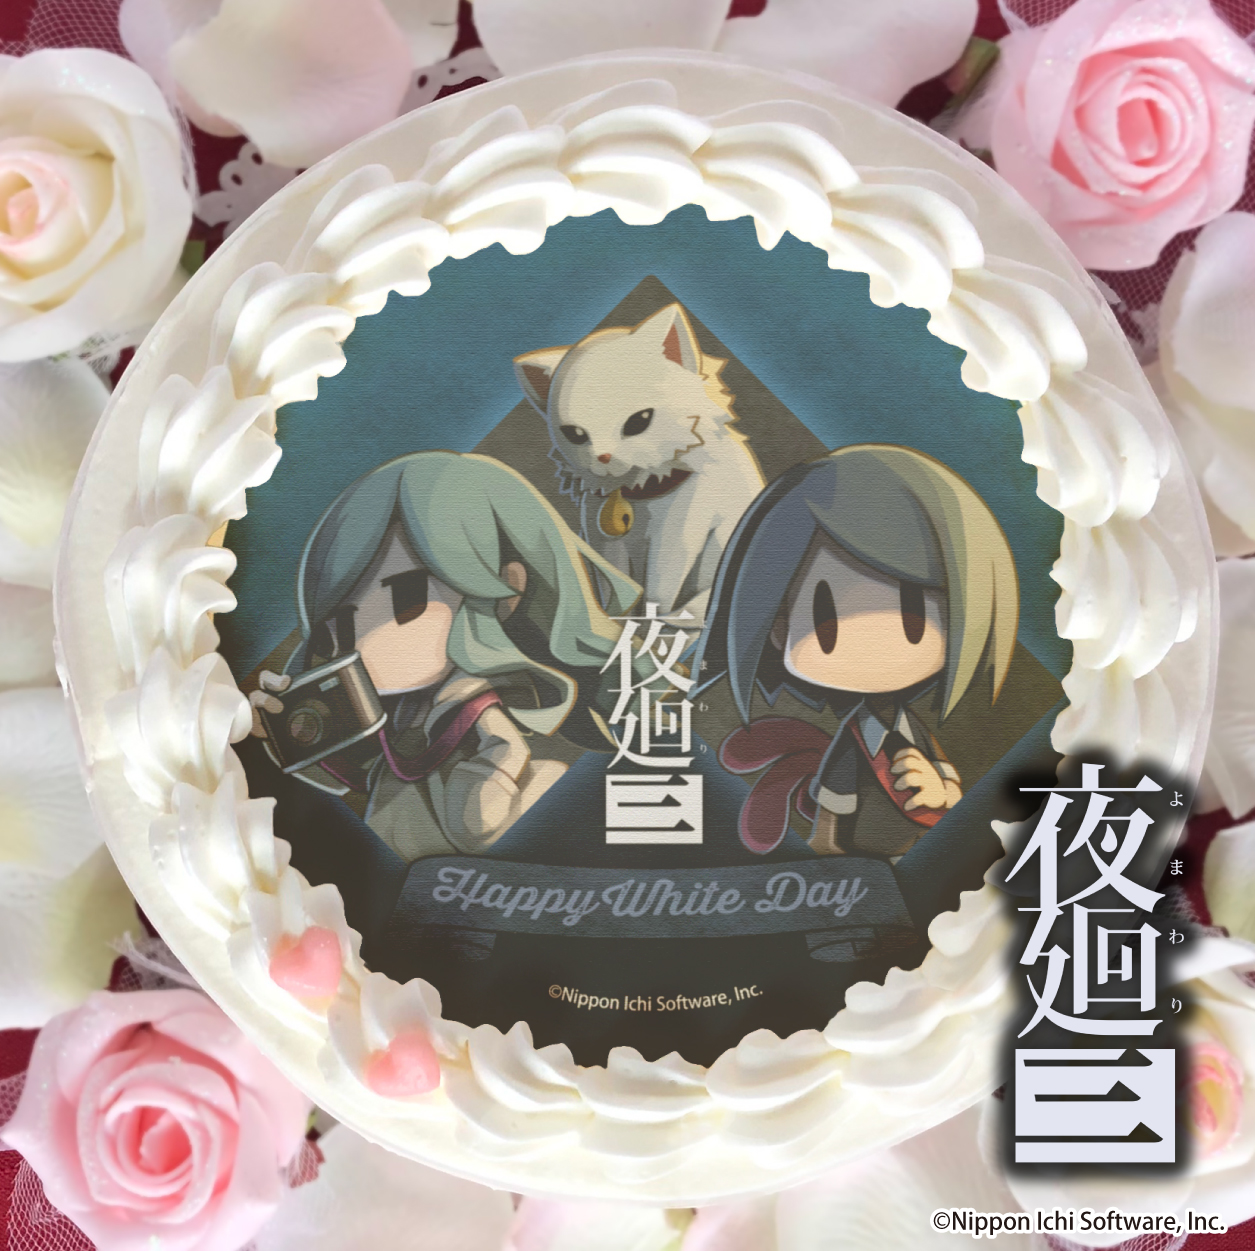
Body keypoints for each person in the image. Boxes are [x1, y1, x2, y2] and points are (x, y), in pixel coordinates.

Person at [249, 451, 642, 862]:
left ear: (507, 586)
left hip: (464, 850)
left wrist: (485, 791)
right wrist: (280, 736)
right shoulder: (388, 711)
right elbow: (358, 772)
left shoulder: (469, 699)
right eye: (343, 630)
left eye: (406, 602)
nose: (364, 645)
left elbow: (505, 750)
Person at [692, 444, 1019, 859]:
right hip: (866, 862)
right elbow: (831, 815)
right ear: (779, 627)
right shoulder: (854, 741)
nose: (872, 639)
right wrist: (827, 856)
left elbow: (950, 791)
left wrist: (940, 790)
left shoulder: (911, 729)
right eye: (826, 619)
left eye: (914, 620)